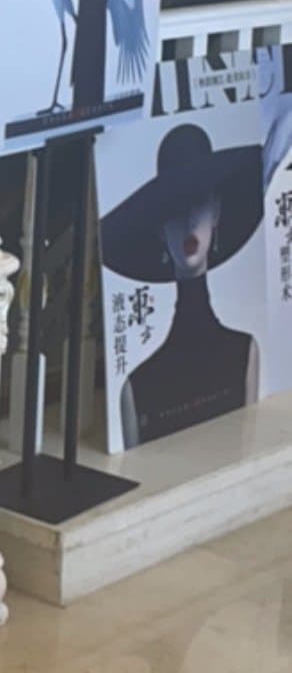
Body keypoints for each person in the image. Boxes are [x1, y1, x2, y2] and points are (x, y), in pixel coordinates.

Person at [104, 121, 263, 449]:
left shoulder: (244, 352)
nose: (189, 220)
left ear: (216, 210)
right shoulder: (137, 387)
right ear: (160, 230)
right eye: (173, 210)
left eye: (198, 201)